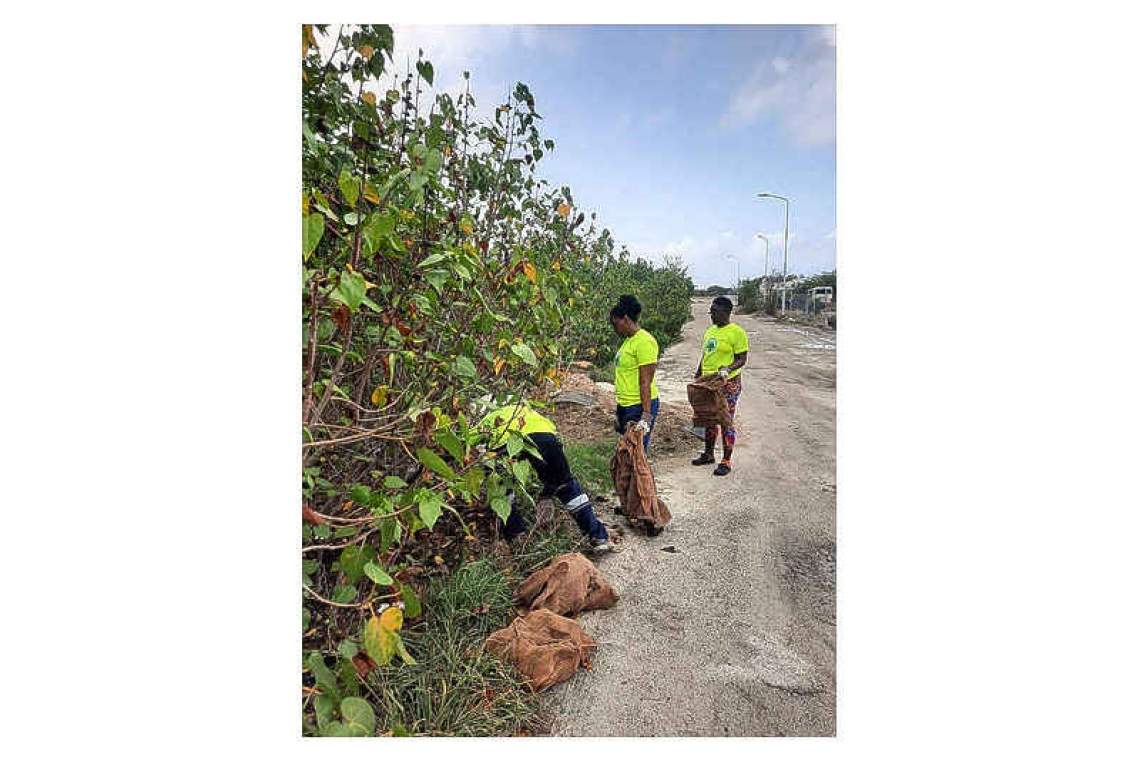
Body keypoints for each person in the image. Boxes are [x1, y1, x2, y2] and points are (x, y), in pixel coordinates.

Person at [478, 402, 614, 554]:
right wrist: (548, 493)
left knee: (501, 490)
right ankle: (598, 536)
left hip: (507, 445)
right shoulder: (526, 411)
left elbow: (468, 451)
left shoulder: (483, 421)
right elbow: (551, 456)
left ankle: (518, 538)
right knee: (566, 485)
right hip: (547, 439)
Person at [692, 296, 749, 476]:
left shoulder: (737, 333)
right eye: (711, 312)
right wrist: (699, 372)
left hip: (728, 383)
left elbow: (742, 359)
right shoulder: (710, 332)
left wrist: (728, 368)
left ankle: (726, 460)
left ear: (726, 312)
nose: (712, 316)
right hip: (709, 383)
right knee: (708, 419)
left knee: (725, 421)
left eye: (715, 312)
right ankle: (708, 454)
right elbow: (706, 354)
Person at [609, 294, 659, 451]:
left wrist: (646, 415)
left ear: (626, 319)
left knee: (636, 455)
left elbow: (646, 381)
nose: (615, 329)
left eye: (616, 324)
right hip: (626, 405)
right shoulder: (628, 341)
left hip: (638, 406)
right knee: (627, 454)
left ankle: (641, 477)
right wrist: (619, 410)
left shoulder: (644, 342)